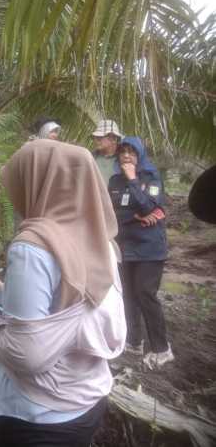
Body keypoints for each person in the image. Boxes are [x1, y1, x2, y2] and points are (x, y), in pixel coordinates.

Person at [0, 140, 126, 447]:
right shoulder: (102, 242)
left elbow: (26, 354)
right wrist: (6, 294)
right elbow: (70, 307)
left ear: (36, 182)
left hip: (39, 414)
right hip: (88, 400)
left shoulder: (33, 247)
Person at [108, 136, 174, 369]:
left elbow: (149, 207)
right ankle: (134, 342)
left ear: (140, 154)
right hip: (124, 248)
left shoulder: (151, 177)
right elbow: (110, 215)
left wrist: (133, 179)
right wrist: (132, 218)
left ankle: (161, 349)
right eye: (123, 152)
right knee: (127, 296)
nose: (126, 156)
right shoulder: (115, 181)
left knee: (146, 295)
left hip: (149, 248)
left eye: (132, 152)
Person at [92, 119, 123, 184]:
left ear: (114, 139)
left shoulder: (123, 159)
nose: (96, 140)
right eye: (95, 137)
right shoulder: (91, 157)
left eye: (99, 138)